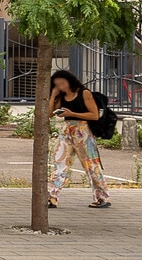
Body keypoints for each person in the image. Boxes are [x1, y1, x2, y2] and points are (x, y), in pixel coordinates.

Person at [46, 68, 111, 210]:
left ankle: (101, 197)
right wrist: (53, 96)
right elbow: (49, 114)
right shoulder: (61, 96)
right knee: (59, 161)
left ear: (69, 81)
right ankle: (52, 196)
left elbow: (94, 115)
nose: (61, 87)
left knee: (91, 164)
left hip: (83, 132)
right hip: (67, 130)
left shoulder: (84, 93)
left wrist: (72, 113)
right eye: (57, 85)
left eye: (63, 83)